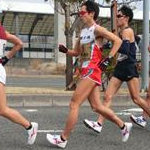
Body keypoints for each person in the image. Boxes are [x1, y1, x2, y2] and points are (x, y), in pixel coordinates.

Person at [46, 1, 132, 149]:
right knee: (97, 106)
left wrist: (109, 58)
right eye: (80, 13)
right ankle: (123, 125)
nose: (80, 15)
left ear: (92, 13)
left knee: (74, 104)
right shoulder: (83, 32)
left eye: (83, 12)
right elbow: (77, 53)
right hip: (86, 71)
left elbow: (117, 41)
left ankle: (62, 139)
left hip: (93, 70)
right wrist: (65, 51)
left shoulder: (97, 29)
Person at [83, 5, 150, 134]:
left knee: (136, 98)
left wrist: (114, 42)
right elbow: (122, 47)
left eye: (119, 16)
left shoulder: (127, 31)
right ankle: (98, 124)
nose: (117, 18)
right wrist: (109, 42)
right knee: (107, 96)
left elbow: (124, 49)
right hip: (120, 68)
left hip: (129, 68)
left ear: (126, 18)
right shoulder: (121, 33)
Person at [0, 23, 38, 145]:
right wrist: (4, 59)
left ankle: (30, 127)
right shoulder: (3, 32)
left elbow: (20, 44)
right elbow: (19, 44)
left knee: (2, 109)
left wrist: (4, 60)